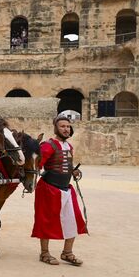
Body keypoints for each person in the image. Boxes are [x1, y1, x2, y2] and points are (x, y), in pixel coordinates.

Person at [32, 114, 87, 266]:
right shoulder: (48, 145)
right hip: (49, 189)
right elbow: (36, 165)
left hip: (66, 189)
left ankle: (67, 253)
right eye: (62, 126)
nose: (66, 129)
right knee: (46, 220)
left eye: (68, 126)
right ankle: (44, 253)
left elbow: (66, 165)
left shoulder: (69, 146)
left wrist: (73, 172)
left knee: (73, 219)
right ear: (56, 128)